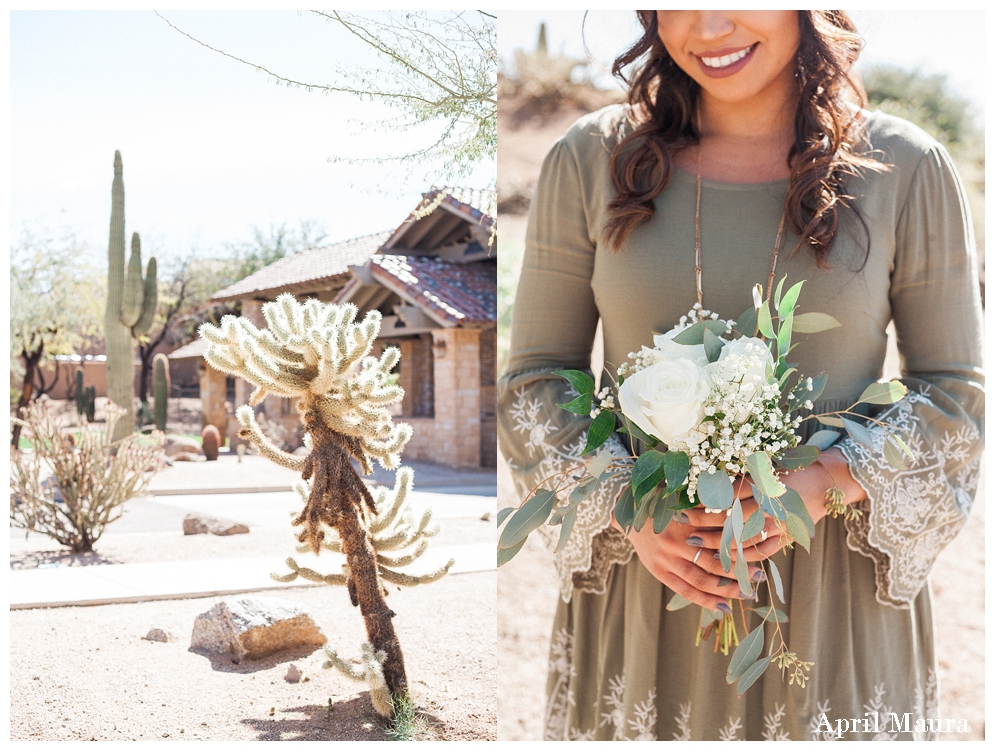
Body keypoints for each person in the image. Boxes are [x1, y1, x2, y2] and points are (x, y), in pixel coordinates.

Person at [498, 10, 984, 741]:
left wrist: (817, 485)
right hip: (647, 591)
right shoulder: (589, 159)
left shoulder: (906, 168)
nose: (710, 25)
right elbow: (535, 378)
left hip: (832, 610)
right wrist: (626, 508)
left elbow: (956, 395)